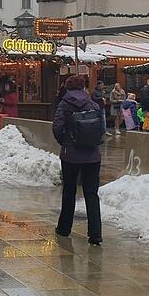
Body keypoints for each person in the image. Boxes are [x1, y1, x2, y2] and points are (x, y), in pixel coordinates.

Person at [52, 75, 103, 246]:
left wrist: (65, 142)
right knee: (91, 194)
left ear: (67, 88)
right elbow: (101, 128)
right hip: (93, 156)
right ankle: (95, 234)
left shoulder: (64, 105)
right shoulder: (93, 104)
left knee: (69, 192)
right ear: (83, 88)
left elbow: (57, 127)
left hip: (71, 156)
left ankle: (64, 228)